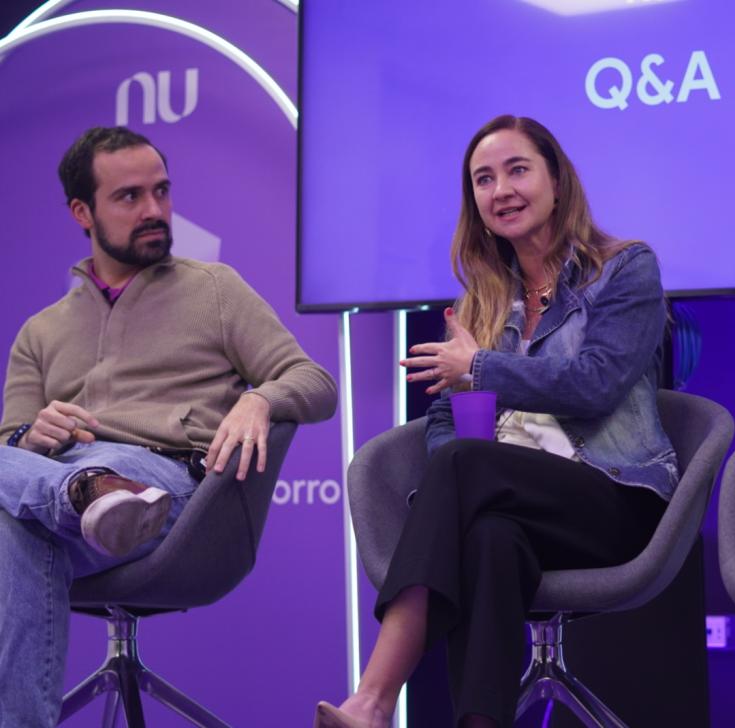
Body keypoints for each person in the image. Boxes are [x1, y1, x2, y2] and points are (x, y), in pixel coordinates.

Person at [316, 115, 677, 728]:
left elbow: (595, 384)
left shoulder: (625, 268)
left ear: (556, 181)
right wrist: (464, 482)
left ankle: (374, 699)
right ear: (476, 205)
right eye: (483, 180)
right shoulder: (482, 299)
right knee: (486, 537)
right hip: (516, 507)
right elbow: (441, 417)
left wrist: (480, 370)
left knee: (464, 466)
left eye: (517, 170)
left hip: (615, 497)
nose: (500, 189)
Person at [0, 126, 338, 727]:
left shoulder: (214, 288)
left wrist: (262, 399)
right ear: (83, 212)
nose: (155, 210)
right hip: (68, 487)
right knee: (15, 530)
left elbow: (315, 384)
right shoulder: (40, 331)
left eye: (161, 191)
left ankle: (93, 491)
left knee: (13, 528)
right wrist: (30, 436)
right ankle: (83, 492)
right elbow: (8, 450)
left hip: (169, 489)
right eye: (129, 197)